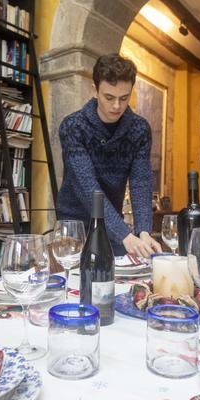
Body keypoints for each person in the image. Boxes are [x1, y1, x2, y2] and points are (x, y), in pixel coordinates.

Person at [56, 54, 162, 258]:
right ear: (95, 90)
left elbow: (140, 181)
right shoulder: (73, 127)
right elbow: (87, 187)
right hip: (74, 227)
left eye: (124, 98)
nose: (116, 106)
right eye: (109, 97)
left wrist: (143, 231)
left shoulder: (139, 129)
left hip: (112, 224)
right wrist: (125, 234)